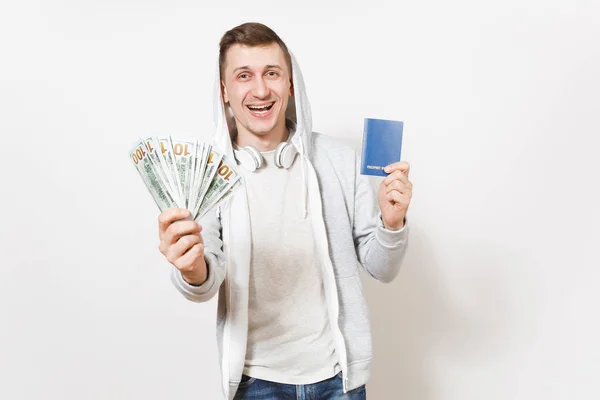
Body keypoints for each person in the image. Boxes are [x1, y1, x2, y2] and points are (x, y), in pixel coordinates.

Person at [157, 22, 412, 400]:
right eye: (244, 76)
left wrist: (392, 224)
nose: (260, 90)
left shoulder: (338, 159)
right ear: (225, 91)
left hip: (339, 381)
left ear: (290, 84)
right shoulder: (208, 173)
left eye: (271, 74)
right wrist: (190, 267)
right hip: (255, 383)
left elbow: (382, 268)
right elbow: (203, 284)